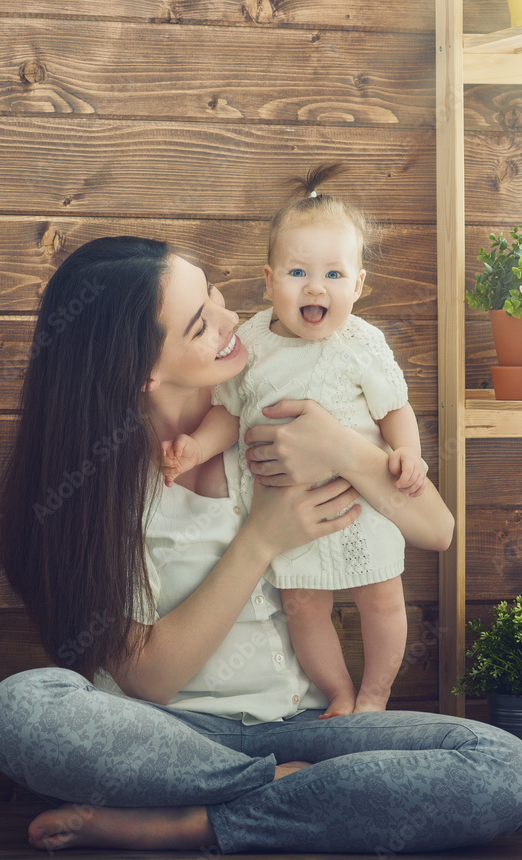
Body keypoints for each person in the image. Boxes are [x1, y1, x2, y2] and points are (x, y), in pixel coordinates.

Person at [0, 235, 522, 854]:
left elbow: (434, 529)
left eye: (215, 294)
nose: (230, 319)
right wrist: (261, 538)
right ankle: (270, 792)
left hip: (307, 730)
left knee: (506, 767)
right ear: (142, 371)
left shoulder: (273, 400)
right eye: (201, 324)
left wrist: (342, 447)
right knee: (22, 709)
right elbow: (151, 680)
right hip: (165, 737)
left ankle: (196, 822)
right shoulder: (93, 487)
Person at [158, 163, 421, 719]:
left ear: (357, 286)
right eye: (298, 271)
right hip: (284, 512)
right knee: (303, 606)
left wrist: (408, 455)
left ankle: (374, 692)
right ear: (270, 280)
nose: (315, 287)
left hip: (358, 505)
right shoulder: (252, 342)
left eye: (333, 274)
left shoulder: (361, 343)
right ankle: (339, 693)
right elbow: (232, 413)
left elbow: (395, 407)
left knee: (382, 599)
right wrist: (198, 449)